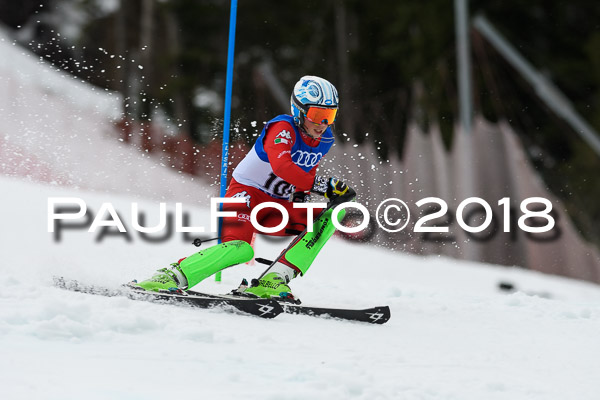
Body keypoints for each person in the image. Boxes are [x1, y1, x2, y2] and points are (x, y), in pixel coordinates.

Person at [134, 76, 356, 301]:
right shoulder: (282, 129)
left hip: (275, 206)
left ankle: (273, 280)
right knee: (240, 249)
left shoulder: (325, 138)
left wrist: (307, 198)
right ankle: (170, 276)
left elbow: (306, 171)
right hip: (244, 194)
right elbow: (282, 167)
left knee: (331, 217)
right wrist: (322, 185)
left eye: (329, 116)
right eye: (317, 115)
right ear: (299, 110)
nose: (323, 124)